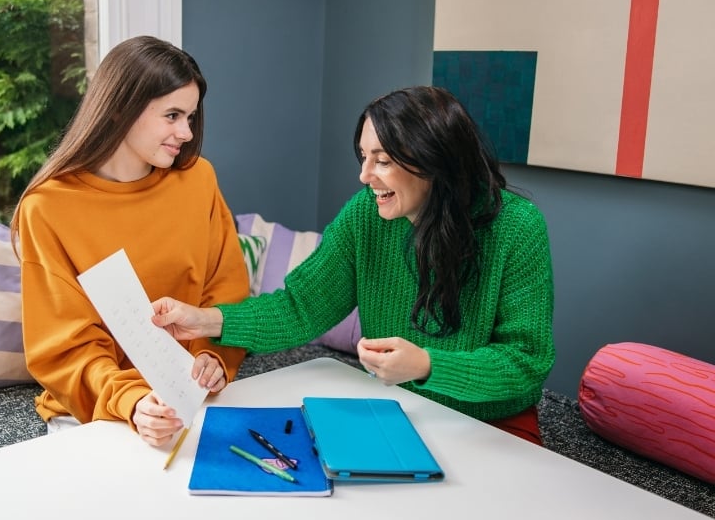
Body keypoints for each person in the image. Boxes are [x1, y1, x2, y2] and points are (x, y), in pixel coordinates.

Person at [152, 86, 555, 445]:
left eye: (381, 161)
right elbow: (301, 307)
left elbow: (526, 363)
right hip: (400, 407)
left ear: (434, 162)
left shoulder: (517, 228)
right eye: (364, 157)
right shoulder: (367, 215)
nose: (364, 176)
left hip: (491, 423)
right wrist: (205, 320)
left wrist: (428, 365)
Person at [9, 35, 250, 447]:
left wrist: (213, 356)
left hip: (192, 393)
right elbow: (63, 345)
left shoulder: (197, 180)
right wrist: (133, 402)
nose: (186, 133)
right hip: (99, 409)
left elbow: (225, 287)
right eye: (172, 115)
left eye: (190, 117)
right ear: (121, 107)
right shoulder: (48, 207)